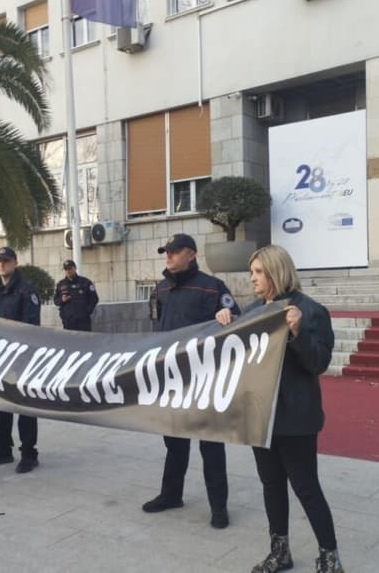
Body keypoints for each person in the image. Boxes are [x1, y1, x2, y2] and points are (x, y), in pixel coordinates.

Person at [216, 244, 344, 573]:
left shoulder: (311, 311)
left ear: (277, 271)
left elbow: (319, 362)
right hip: (262, 415)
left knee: (306, 487)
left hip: (297, 416)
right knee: (271, 484)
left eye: (259, 272)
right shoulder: (253, 311)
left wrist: (297, 333)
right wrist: (225, 324)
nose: (253, 279)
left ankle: (330, 557)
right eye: (252, 273)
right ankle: (280, 551)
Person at [142, 233, 239, 529]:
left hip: (203, 381)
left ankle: (219, 507)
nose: (167, 257)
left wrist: (229, 316)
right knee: (174, 442)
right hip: (171, 380)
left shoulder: (212, 288)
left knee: (210, 444)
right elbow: (156, 329)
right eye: (165, 252)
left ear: (191, 254)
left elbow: (236, 320)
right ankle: (171, 495)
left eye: (173, 252)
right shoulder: (160, 288)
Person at [0, 246, 42, 473]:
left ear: (15, 262)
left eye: (6, 260)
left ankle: (29, 453)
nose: (2, 264)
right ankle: (2, 449)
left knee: (25, 408)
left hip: (21, 360)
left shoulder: (26, 291)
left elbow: (30, 326)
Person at [54, 259, 99, 331]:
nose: (68, 271)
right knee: (70, 341)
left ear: (75, 268)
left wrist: (86, 312)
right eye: (66, 269)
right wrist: (62, 300)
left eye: (70, 269)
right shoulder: (61, 284)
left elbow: (94, 298)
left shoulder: (85, 282)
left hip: (83, 321)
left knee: (85, 340)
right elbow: (56, 300)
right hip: (68, 321)